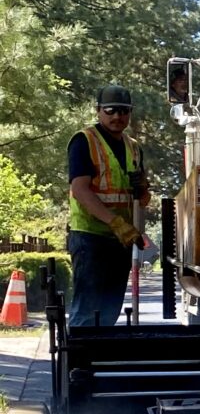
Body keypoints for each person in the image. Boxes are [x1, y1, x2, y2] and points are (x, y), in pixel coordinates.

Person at [67, 85, 150, 327]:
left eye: (123, 111)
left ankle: (98, 361)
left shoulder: (133, 147)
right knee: (88, 308)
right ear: (98, 111)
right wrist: (114, 222)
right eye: (110, 110)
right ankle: (78, 362)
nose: (117, 116)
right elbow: (80, 189)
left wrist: (143, 188)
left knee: (109, 310)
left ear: (130, 113)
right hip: (91, 237)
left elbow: (141, 199)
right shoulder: (84, 141)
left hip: (120, 240)